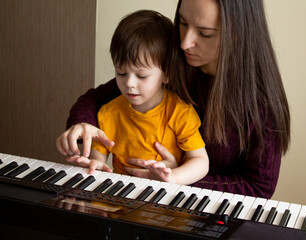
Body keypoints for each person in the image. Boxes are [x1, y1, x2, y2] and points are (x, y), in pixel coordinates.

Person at [57, 0, 290, 199]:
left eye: (205, 33)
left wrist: (179, 175)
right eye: (183, 22)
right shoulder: (174, 61)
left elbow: (259, 188)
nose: (185, 42)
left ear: (238, 34)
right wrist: (83, 124)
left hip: (210, 212)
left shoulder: (262, 104)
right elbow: (97, 98)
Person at [59, 10, 209, 185]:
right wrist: (94, 165)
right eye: (121, 73)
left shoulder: (180, 112)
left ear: (167, 74)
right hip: (123, 197)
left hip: (166, 196)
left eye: (142, 76)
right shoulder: (109, 112)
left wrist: (173, 177)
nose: (129, 83)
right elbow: (98, 159)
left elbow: (200, 161)